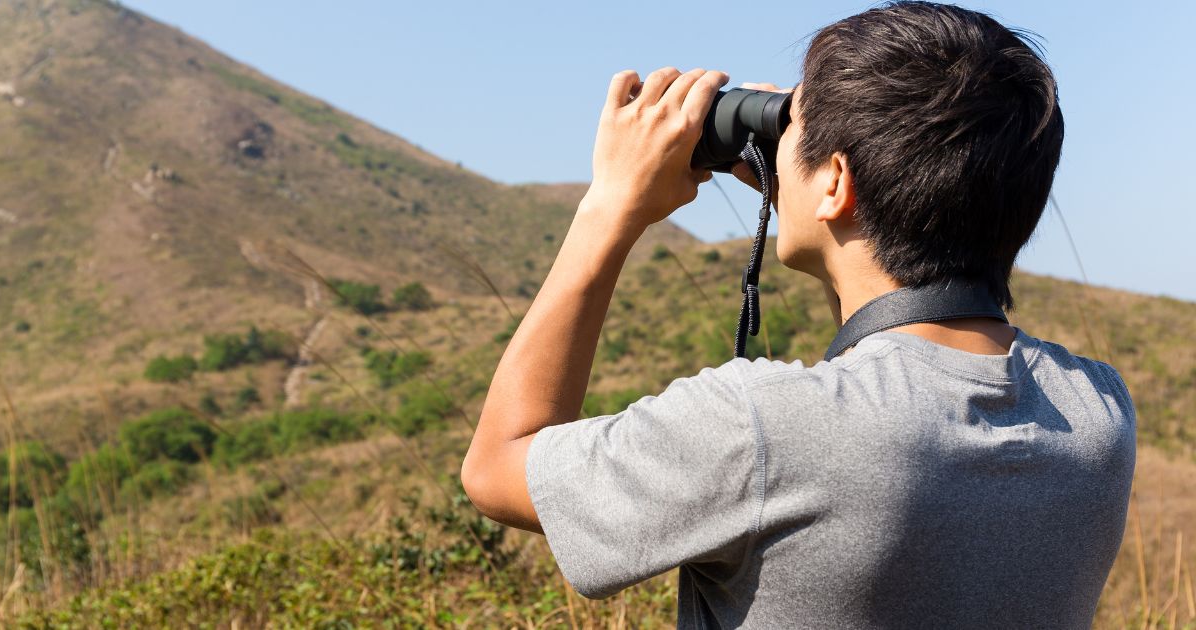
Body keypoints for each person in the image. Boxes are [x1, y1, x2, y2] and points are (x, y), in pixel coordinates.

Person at [461, 2, 1137, 628]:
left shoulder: (759, 426)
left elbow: (496, 468)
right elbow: (890, 354)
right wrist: (815, 185)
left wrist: (610, 206)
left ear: (837, 182)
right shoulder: (1099, 413)